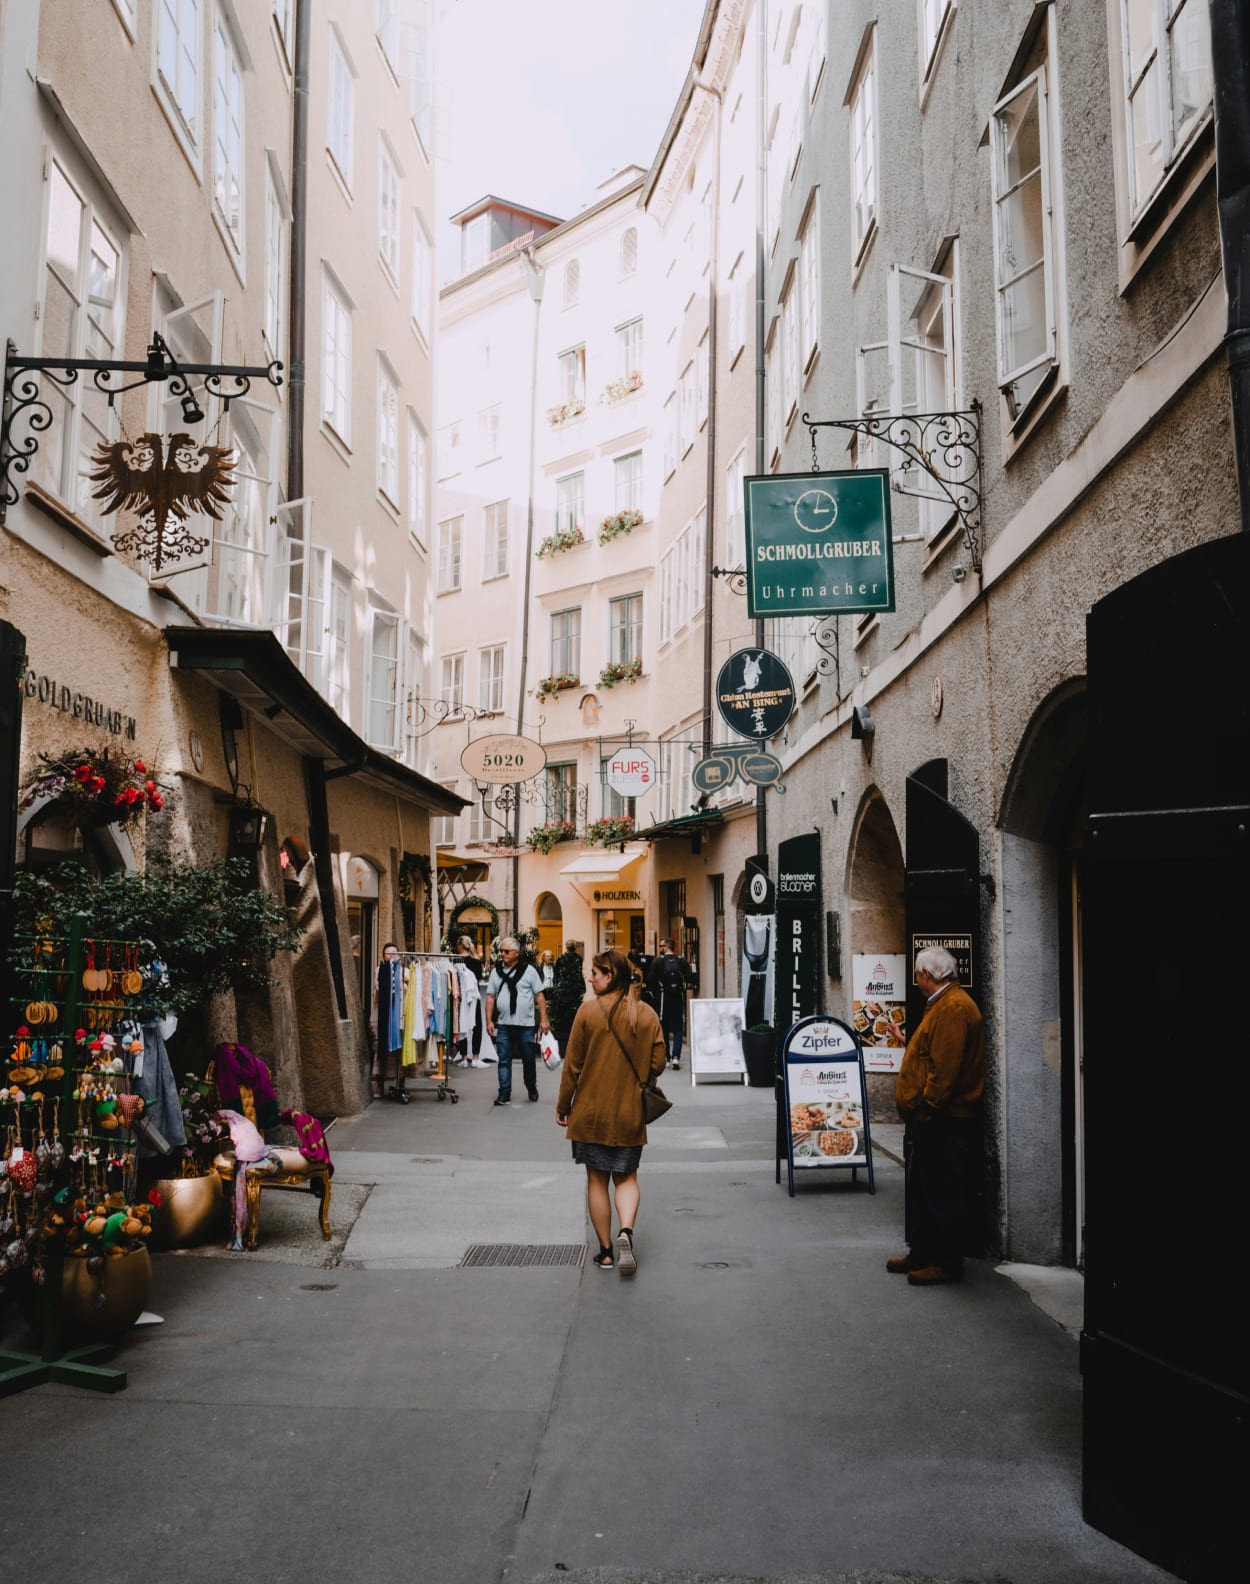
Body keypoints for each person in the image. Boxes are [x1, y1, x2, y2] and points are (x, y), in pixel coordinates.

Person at [556, 948, 667, 1275]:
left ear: (610, 976)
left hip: (590, 1114)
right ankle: (626, 1232)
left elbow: (572, 1068)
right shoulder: (645, 1014)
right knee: (627, 1178)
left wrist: (564, 1106)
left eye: (595, 972)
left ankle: (605, 1252)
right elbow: (658, 1063)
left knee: (596, 1180)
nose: (589, 978)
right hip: (628, 1112)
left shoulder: (587, 1013)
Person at [888, 946, 985, 1286]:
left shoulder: (954, 1008)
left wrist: (926, 1108)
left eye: (917, 975)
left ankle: (947, 1263)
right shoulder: (945, 1005)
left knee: (943, 1190)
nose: (916, 982)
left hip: (943, 1119)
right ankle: (923, 1254)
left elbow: (944, 1071)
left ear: (928, 976)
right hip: (934, 1119)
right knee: (925, 1188)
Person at [484, 936, 550, 1106]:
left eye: (506, 951)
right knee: (504, 1059)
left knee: (528, 1059)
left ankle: (531, 1086)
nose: (503, 954)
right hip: (504, 1024)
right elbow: (490, 997)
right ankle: (504, 1093)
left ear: (516, 953)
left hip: (525, 1025)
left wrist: (544, 1019)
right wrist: (489, 1020)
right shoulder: (496, 971)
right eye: (501, 951)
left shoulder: (529, 971)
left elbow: (540, 996)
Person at [645, 936, 693, 1069]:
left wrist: (655, 991)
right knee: (678, 1028)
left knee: (664, 1027)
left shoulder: (657, 962)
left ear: (665, 947)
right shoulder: (681, 961)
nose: (660, 948)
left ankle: (667, 1056)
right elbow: (690, 977)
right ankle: (676, 1057)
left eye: (661, 946)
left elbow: (650, 979)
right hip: (677, 997)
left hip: (663, 998)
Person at [374, 942, 409, 1103]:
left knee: (400, 1053)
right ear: (383, 956)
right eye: (388, 953)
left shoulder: (405, 971)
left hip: (400, 1014)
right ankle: (379, 1084)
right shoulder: (379, 970)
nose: (392, 955)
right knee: (381, 1050)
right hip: (384, 1015)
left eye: (395, 952)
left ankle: (401, 1083)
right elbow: (379, 988)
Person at [546, 940, 585, 1056]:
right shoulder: (578, 959)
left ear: (567, 947)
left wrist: (557, 985)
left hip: (563, 990)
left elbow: (557, 974)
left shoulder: (561, 959)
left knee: (562, 1014)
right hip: (574, 989)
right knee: (573, 1014)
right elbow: (578, 973)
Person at [455, 936, 489, 1069]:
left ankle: (463, 1058)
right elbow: (479, 978)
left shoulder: (455, 961)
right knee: (477, 1026)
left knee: (462, 1025)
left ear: (459, 947)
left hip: (460, 996)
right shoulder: (476, 962)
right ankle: (475, 1057)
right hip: (473, 996)